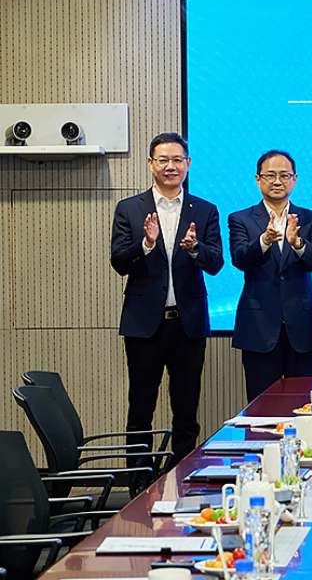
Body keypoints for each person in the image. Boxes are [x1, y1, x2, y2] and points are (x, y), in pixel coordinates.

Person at [110, 132, 223, 464]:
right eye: (163, 160)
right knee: (140, 409)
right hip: (144, 324)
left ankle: (182, 478)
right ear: (150, 164)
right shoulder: (129, 209)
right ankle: (139, 481)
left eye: (177, 160)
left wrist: (196, 248)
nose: (170, 166)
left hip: (188, 324)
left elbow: (216, 263)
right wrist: (145, 245)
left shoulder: (205, 210)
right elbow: (119, 262)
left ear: (188, 164)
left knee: (186, 410)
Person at [228, 150, 312, 402]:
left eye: (284, 175)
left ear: (294, 179)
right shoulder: (240, 219)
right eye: (270, 175)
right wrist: (264, 241)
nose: (277, 181)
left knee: (303, 404)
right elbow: (240, 259)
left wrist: (298, 244)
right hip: (258, 328)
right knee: (261, 406)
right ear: (258, 179)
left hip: (303, 328)